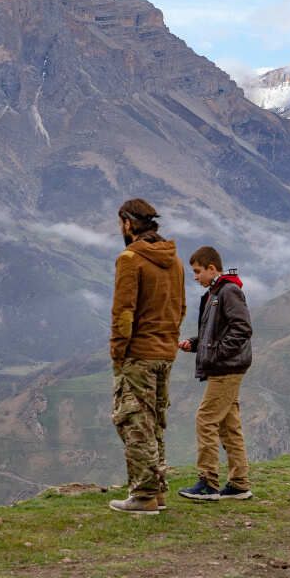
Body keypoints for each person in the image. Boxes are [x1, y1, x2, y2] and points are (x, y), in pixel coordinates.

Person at [108, 199, 186, 516]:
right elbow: (180, 309)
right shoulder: (176, 262)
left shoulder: (130, 260)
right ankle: (158, 491)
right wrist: (167, 340)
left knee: (134, 422)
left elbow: (123, 314)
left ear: (127, 223)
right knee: (154, 422)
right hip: (165, 352)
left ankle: (142, 495)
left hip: (138, 353)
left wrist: (118, 353)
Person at [178, 246, 253, 501]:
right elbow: (216, 333)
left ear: (212, 268)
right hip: (226, 366)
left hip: (227, 368)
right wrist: (196, 344)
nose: (196, 277)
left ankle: (208, 483)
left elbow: (242, 329)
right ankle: (239, 484)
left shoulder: (228, 291)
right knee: (229, 425)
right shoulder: (215, 293)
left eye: (198, 272)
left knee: (205, 419)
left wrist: (218, 353)